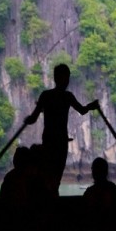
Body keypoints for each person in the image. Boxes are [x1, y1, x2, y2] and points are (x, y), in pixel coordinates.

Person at [24, 63, 99, 195]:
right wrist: (91, 106)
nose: (67, 81)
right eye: (67, 77)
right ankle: (53, 197)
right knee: (56, 175)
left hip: (49, 140)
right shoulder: (67, 96)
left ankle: (49, 197)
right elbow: (82, 110)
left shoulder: (45, 96)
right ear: (63, 78)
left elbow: (33, 118)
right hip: (60, 142)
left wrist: (28, 119)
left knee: (49, 173)